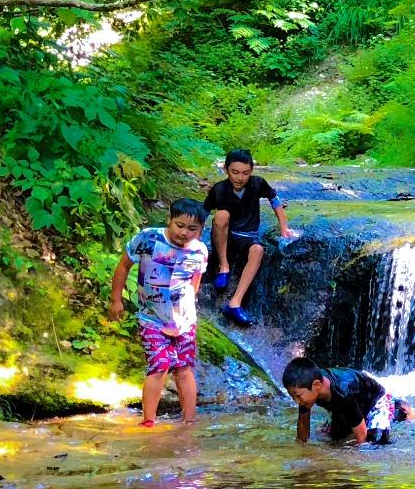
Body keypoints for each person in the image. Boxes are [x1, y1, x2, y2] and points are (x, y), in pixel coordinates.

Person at [109, 198, 210, 427]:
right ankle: (148, 421)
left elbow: (195, 282)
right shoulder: (148, 238)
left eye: (192, 229)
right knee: (159, 365)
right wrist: (116, 300)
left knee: (184, 368)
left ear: (201, 230)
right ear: (170, 220)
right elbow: (124, 265)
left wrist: (189, 311)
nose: (184, 233)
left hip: (184, 321)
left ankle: (189, 421)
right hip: (151, 317)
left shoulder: (199, 251)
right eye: (180, 225)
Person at [205, 149, 294, 327]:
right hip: (225, 238)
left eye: (245, 173)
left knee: (258, 250)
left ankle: (235, 303)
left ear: (251, 171)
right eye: (235, 172)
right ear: (226, 170)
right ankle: (224, 267)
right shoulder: (220, 189)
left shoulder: (257, 184)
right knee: (221, 215)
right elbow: (202, 213)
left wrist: (284, 228)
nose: (240, 178)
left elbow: (275, 201)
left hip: (248, 236)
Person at [281, 357, 415, 445]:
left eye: (297, 396)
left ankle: (401, 410)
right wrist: (301, 449)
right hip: (346, 404)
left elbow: (362, 436)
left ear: (316, 386)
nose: (296, 401)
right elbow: (303, 428)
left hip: (375, 401)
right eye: (292, 396)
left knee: (376, 443)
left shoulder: (343, 392)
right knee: (335, 440)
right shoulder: (306, 390)